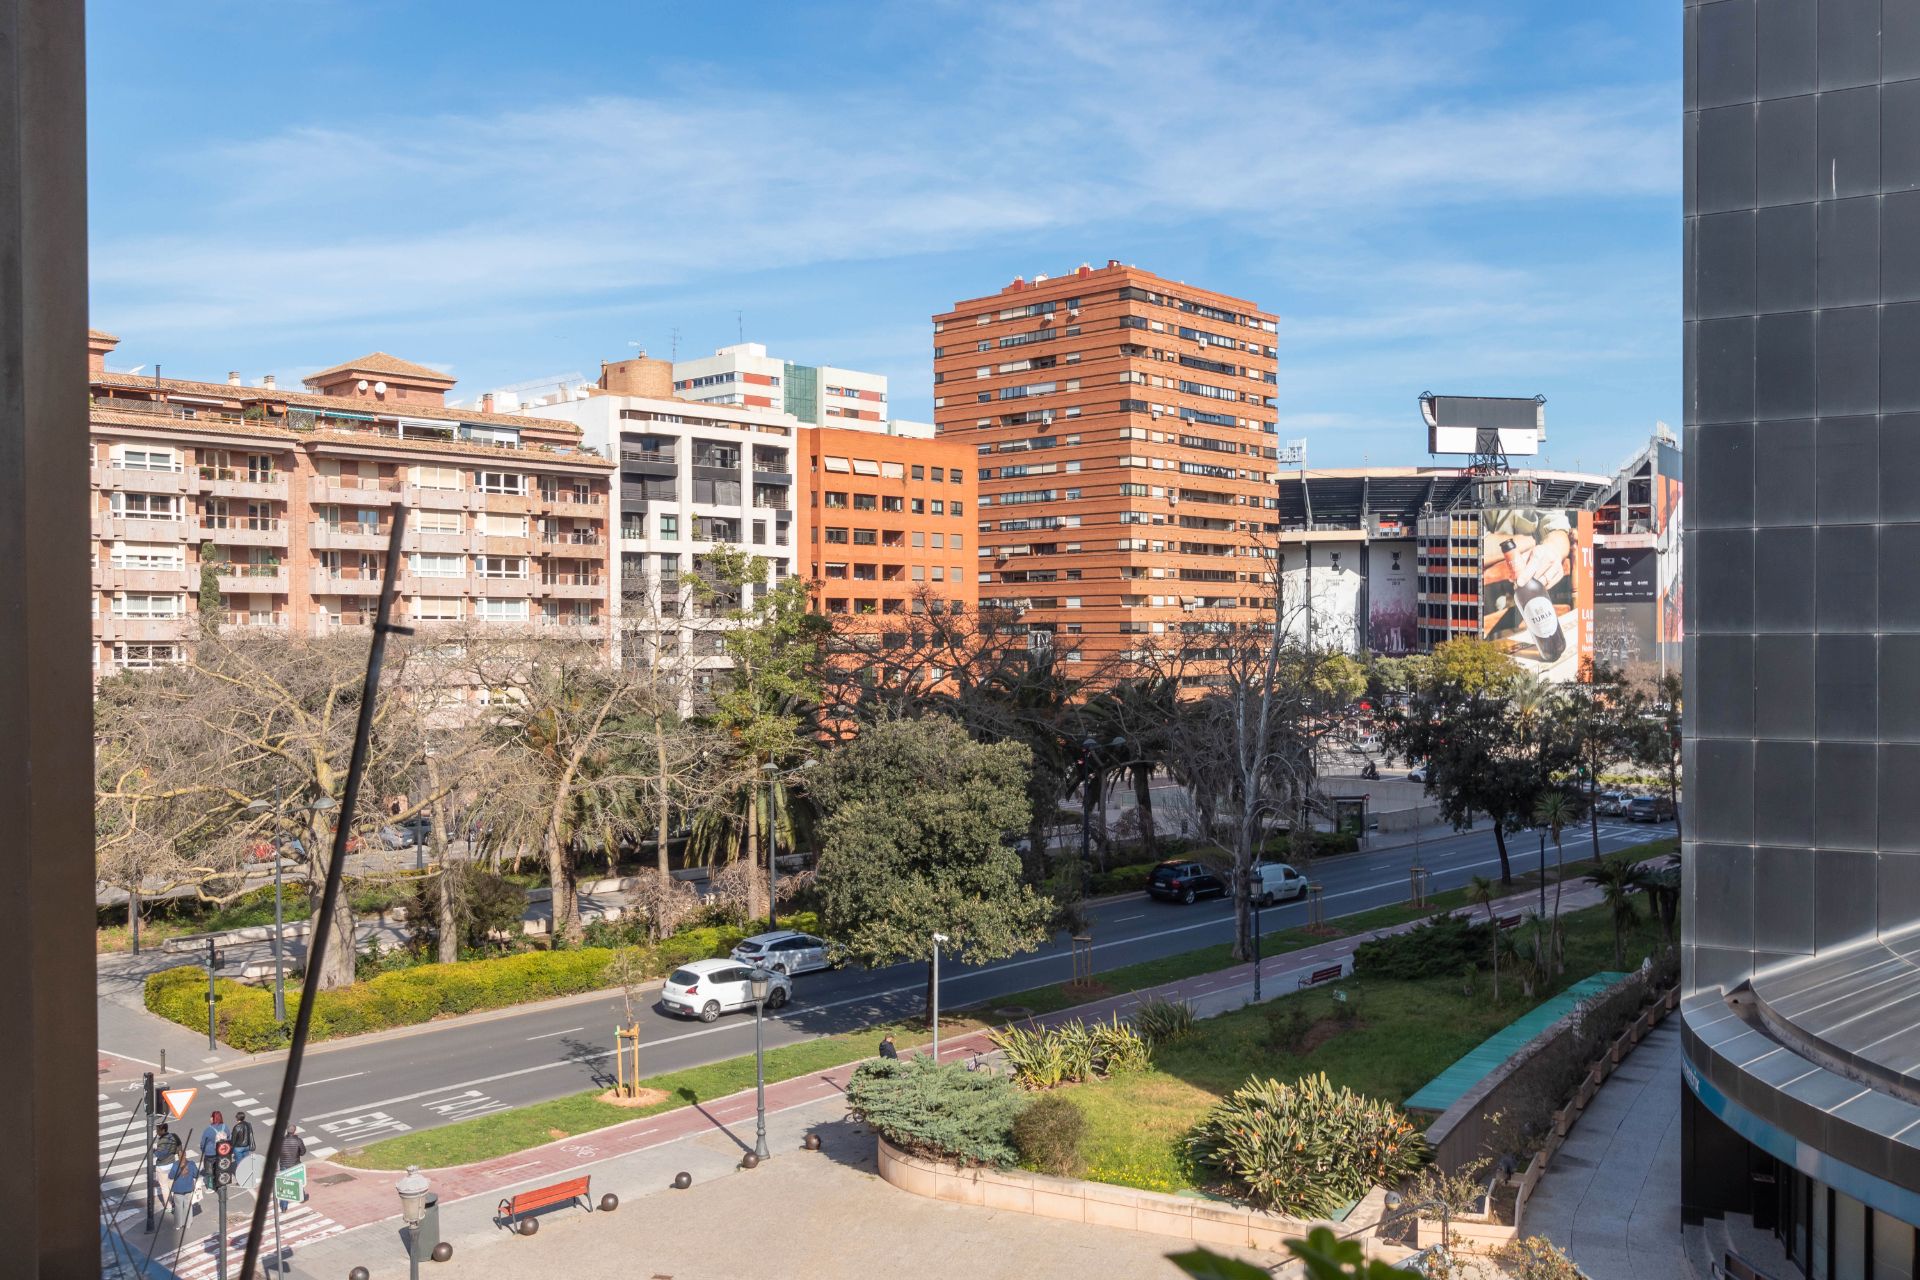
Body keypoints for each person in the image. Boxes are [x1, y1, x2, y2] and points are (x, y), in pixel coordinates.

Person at [277, 1124, 309, 1207]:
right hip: (295, 1165)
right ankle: (301, 1197)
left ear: (287, 1131)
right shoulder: (298, 1140)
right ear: (294, 1131)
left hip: (283, 1165)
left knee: (283, 1186)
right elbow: (303, 1152)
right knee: (299, 1181)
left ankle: (283, 1206)